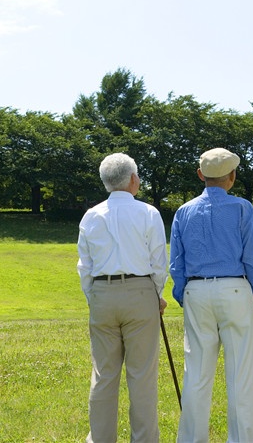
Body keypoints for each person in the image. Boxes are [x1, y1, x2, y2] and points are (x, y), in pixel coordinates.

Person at [169, 147, 253, 443]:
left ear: (201, 175)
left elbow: (177, 262)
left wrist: (183, 293)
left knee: (197, 373)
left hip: (196, 289)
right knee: (240, 374)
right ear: (232, 177)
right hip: (235, 288)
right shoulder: (243, 208)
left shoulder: (183, 211)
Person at [77, 152, 169, 443]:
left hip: (102, 293)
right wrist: (157, 294)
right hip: (140, 291)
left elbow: (85, 266)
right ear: (133, 179)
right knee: (141, 377)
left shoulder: (91, 215)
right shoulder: (148, 213)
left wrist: (95, 297)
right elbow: (158, 262)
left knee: (104, 374)